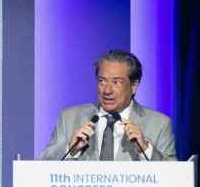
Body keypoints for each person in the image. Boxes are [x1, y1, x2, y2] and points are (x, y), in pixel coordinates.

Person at [40, 50, 176, 161]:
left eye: (116, 82)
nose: (107, 90)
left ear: (134, 86)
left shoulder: (159, 124)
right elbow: (42, 166)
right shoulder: (69, 118)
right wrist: (70, 149)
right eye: (102, 81)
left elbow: (174, 178)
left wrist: (146, 150)